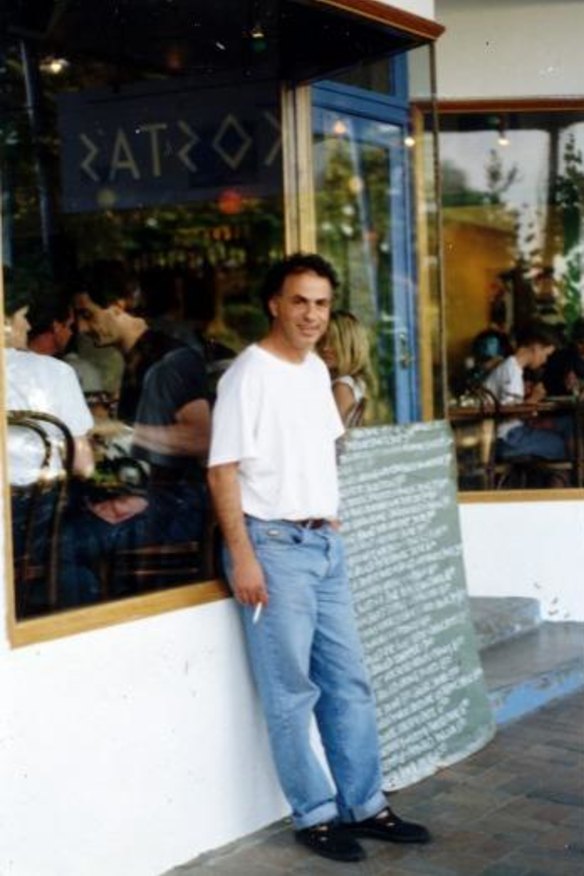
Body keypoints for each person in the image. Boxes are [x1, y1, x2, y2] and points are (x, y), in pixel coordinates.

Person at [207, 253, 430, 864]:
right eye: (300, 301)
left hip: (323, 545)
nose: (311, 314)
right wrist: (243, 556)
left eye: (322, 303)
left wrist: (324, 510)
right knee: (290, 692)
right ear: (274, 303)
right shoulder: (247, 375)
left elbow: (315, 453)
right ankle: (315, 814)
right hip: (272, 549)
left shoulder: (312, 372)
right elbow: (222, 470)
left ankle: (366, 805)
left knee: (348, 684)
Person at [3, 269, 96, 611]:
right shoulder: (54, 373)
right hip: (32, 532)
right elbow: (84, 466)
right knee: (74, 537)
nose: (28, 327)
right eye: (23, 317)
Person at [483, 323, 568, 460]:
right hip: (507, 438)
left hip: (505, 434)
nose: (545, 360)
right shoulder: (512, 371)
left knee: (563, 430)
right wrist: (534, 398)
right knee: (561, 445)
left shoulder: (510, 366)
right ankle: (557, 480)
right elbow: (508, 412)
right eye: (545, 354)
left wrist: (526, 397)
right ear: (536, 347)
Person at [318, 309, 374, 427]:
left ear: (350, 345)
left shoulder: (342, 387)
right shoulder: (354, 382)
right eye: (322, 340)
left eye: (334, 342)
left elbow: (336, 437)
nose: (326, 348)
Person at [543, 317, 584, 397]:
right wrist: (563, 384)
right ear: (574, 341)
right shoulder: (561, 357)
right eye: (581, 342)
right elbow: (546, 384)